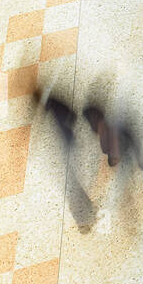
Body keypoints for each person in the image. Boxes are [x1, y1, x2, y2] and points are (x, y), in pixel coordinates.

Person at [36, 89, 96, 230]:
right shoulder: (54, 105)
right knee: (72, 184)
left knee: (71, 185)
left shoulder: (53, 106)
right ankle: (84, 212)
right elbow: (72, 115)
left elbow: (71, 116)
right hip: (67, 146)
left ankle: (83, 216)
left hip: (67, 147)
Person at [83, 100, 143, 192]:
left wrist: (115, 155)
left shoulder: (112, 134)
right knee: (131, 154)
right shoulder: (106, 139)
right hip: (121, 140)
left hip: (125, 140)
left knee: (138, 155)